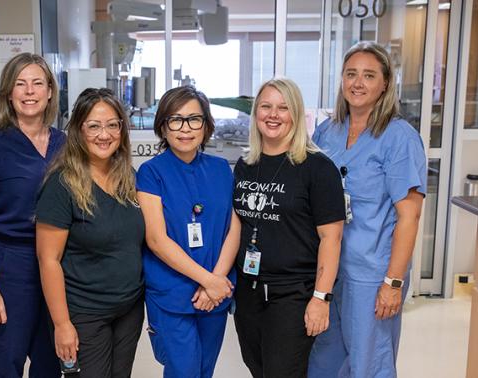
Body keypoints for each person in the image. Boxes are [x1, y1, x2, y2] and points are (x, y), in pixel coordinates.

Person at [308, 41, 427, 378]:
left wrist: (393, 281)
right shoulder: (327, 131)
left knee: (368, 363)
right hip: (329, 268)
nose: (357, 83)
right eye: (351, 74)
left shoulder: (399, 137)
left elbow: (409, 215)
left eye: (369, 75)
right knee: (323, 360)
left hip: (372, 272)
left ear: (385, 84)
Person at [232, 77, 345, 377]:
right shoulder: (246, 164)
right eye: (266, 106)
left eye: (283, 108)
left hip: (292, 295)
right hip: (249, 291)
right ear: (255, 113)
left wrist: (321, 298)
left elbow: (331, 238)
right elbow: (239, 225)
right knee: (258, 368)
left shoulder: (318, 168)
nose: (273, 114)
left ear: (296, 114)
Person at [0, 52, 64, 377]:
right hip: (9, 266)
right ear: (9, 93)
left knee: (50, 361)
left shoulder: (65, 144)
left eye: (37, 83)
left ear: (50, 91)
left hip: (55, 262)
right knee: (9, 359)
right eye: (20, 84)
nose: (29, 91)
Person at [35, 88, 144, 377]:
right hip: (84, 313)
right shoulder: (62, 186)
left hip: (128, 310)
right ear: (78, 131)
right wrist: (62, 324)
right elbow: (49, 260)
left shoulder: (128, 178)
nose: (104, 134)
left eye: (112, 124)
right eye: (93, 126)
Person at [136, 85, 238, 378]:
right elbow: (156, 240)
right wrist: (208, 280)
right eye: (175, 119)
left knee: (204, 371)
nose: (185, 128)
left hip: (215, 293)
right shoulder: (151, 173)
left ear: (206, 126)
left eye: (194, 119)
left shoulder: (221, 169)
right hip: (173, 293)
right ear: (163, 126)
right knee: (184, 371)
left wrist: (216, 282)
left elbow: (233, 230)